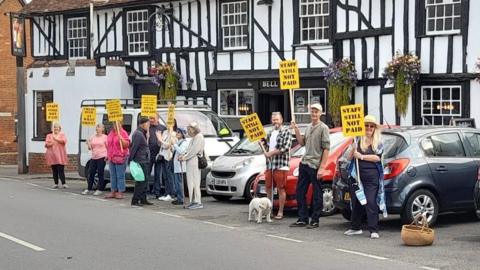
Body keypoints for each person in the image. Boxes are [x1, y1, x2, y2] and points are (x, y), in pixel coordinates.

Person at [344, 115, 387, 239]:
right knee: (356, 201)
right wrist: (353, 151)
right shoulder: (357, 140)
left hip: (371, 177)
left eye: (371, 126)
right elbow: (348, 157)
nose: (369, 128)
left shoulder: (378, 142)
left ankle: (373, 229)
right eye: (366, 125)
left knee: (370, 201)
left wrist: (362, 157)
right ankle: (355, 227)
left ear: (374, 128)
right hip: (356, 176)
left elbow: (377, 158)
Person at [290, 104, 330, 229]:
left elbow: (326, 149)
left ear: (320, 113)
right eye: (312, 111)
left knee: (317, 194)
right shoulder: (308, 127)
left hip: (315, 165)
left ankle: (315, 220)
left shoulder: (324, 128)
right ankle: (303, 218)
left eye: (316, 111)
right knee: (300, 192)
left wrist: (322, 167)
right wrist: (296, 130)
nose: (313, 114)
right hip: (305, 163)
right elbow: (302, 143)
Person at [263, 112, 292, 220]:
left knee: (280, 188)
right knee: (268, 187)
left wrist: (271, 153)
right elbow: (267, 147)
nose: (275, 122)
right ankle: (269, 211)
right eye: (273, 119)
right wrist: (262, 144)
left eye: (277, 119)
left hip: (281, 165)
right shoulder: (270, 133)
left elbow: (285, 148)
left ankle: (280, 211)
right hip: (270, 164)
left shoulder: (286, 131)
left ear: (281, 120)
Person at [179, 122, 205, 209]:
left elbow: (194, 151)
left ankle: (197, 201)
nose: (188, 131)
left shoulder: (199, 137)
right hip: (190, 162)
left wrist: (184, 157)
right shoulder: (194, 138)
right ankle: (192, 200)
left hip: (194, 162)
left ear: (194, 129)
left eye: (189, 130)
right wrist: (184, 156)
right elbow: (189, 150)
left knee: (195, 182)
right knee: (191, 182)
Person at [130, 117, 153, 207]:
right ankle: (135, 201)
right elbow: (134, 147)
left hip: (144, 159)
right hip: (140, 160)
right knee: (141, 181)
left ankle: (143, 199)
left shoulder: (141, 133)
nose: (149, 126)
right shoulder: (138, 134)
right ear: (143, 124)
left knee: (145, 181)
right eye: (148, 124)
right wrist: (131, 159)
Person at [106, 121, 130, 199]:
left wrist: (121, 139)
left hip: (121, 156)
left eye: (118, 123)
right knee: (112, 175)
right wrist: (107, 154)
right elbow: (109, 145)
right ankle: (113, 191)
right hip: (112, 156)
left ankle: (120, 192)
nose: (116, 125)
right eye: (114, 124)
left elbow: (126, 145)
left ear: (121, 124)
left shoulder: (123, 133)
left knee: (120, 175)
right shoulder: (111, 133)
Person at [83, 123, 108, 196]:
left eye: (99, 127)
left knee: (100, 173)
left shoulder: (105, 137)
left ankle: (99, 189)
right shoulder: (93, 137)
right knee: (91, 173)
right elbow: (90, 148)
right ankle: (89, 188)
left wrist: (107, 155)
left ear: (102, 129)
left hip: (102, 156)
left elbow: (108, 147)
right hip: (94, 157)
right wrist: (88, 143)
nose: (97, 128)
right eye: (97, 127)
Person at [156, 121, 178, 202]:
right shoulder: (165, 132)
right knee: (165, 176)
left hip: (169, 157)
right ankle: (167, 192)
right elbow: (161, 144)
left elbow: (168, 145)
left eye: (170, 123)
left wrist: (160, 139)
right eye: (168, 123)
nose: (168, 125)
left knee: (169, 176)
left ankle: (171, 193)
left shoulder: (174, 134)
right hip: (163, 155)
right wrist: (159, 140)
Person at [147, 114, 166, 199]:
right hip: (149, 154)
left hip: (159, 154)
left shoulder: (162, 128)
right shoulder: (147, 128)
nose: (151, 120)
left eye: (153, 118)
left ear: (158, 119)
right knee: (147, 172)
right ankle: (146, 190)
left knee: (158, 174)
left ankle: (157, 191)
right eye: (150, 118)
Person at [45, 123, 68, 189]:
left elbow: (64, 141)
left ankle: (64, 183)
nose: (56, 129)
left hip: (60, 155)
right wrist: (52, 143)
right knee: (54, 169)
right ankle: (56, 183)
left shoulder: (62, 135)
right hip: (52, 155)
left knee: (61, 169)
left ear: (60, 129)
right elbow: (46, 144)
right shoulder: (49, 135)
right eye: (54, 127)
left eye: (57, 127)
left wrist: (56, 139)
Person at [171, 128, 188, 205]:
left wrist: (174, 144)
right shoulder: (178, 142)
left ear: (182, 134)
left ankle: (181, 199)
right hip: (177, 166)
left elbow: (181, 151)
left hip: (180, 167)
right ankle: (179, 197)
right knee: (177, 183)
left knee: (179, 183)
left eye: (179, 132)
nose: (177, 133)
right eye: (177, 132)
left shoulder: (184, 143)